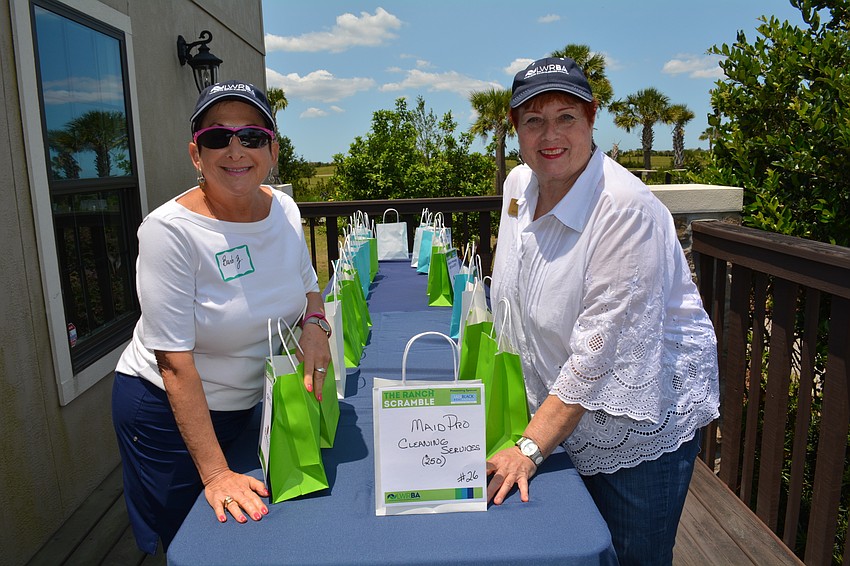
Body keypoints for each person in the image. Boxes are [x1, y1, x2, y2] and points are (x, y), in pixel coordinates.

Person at [487, 57, 720, 565]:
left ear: (592, 117)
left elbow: (598, 354)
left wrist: (528, 448)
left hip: (632, 432)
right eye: (534, 120)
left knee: (633, 557)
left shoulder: (623, 209)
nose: (550, 135)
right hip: (552, 420)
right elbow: (511, 302)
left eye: (566, 117)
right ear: (515, 127)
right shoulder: (517, 190)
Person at [112, 80, 331, 554]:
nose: (235, 149)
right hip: (166, 414)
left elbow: (309, 284)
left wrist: (315, 325)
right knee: (187, 540)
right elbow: (173, 361)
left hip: (250, 403)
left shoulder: (285, 210)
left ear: (272, 148)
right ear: (197, 154)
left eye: (251, 136)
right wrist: (213, 473)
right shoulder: (169, 232)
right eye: (218, 137)